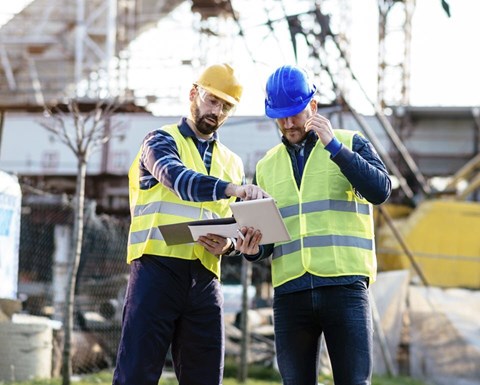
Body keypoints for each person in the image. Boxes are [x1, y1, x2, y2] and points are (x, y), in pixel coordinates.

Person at [112, 63, 267, 385]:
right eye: (213, 100)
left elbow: (234, 224)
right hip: (156, 269)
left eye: (226, 106)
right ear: (193, 94)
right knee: (136, 373)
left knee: (205, 377)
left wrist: (231, 246)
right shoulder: (158, 141)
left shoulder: (232, 162)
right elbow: (178, 180)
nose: (217, 111)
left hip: (206, 279)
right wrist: (234, 189)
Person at [236, 65, 392, 385]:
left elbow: (380, 191)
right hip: (291, 293)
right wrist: (252, 249)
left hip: (344, 287)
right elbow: (267, 239)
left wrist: (335, 147)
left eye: (295, 113)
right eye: (280, 116)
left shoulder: (349, 142)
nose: (288, 123)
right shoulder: (266, 166)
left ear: (314, 107)